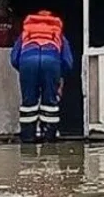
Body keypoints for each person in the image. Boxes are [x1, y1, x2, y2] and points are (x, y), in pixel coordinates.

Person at [10, 9, 74, 143]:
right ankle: (49, 137)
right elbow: (68, 62)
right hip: (51, 62)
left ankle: (28, 137)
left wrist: (24, 70)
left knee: (29, 102)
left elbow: (14, 58)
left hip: (28, 62)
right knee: (50, 102)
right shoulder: (58, 33)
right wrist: (59, 75)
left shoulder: (26, 33)